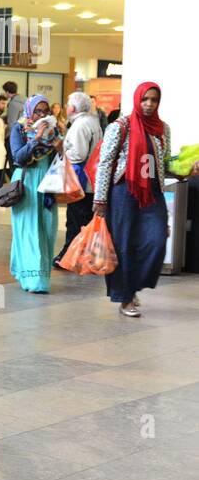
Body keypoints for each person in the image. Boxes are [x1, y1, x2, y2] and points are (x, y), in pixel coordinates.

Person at [93, 83, 197, 316]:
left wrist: (186, 169)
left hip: (152, 193)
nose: (149, 104)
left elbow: (165, 163)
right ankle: (125, 297)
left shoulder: (162, 128)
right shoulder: (121, 126)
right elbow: (105, 163)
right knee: (124, 245)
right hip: (123, 192)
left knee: (156, 240)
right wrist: (100, 199)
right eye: (145, 99)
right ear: (137, 99)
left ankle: (132, 286)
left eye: (154, 100)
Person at [8, 96, 63, 294]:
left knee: (47, 231)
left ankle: (34, 273)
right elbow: (18, 157)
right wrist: (37, 138)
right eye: (38, 111)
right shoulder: (20, 129)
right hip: (27, 183)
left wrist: (60, 148)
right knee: (29, 232)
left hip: (47, 185)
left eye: (45, 111)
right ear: (30, 111)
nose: (42, 115)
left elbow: (62, 160)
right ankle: (35, 280)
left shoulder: (54, 130)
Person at [54, 92, 103, 265]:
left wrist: (61, 150)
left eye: (68, 105)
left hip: (81, 182)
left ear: (73, 108)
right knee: (84, 220)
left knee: (75, 220)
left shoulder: (80, 125)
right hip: (91, 181)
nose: (66, 108)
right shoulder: (93, 122)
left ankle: (69, 257)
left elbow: (78, 155)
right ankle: (83, 256)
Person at [1, 82, 22, 173]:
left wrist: (4, 136)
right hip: (25, 135)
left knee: (12, 162)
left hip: (15, 137)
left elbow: (12, 123)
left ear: (8, 92)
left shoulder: (13, 104)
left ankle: (15, 184)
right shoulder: (25, 100)